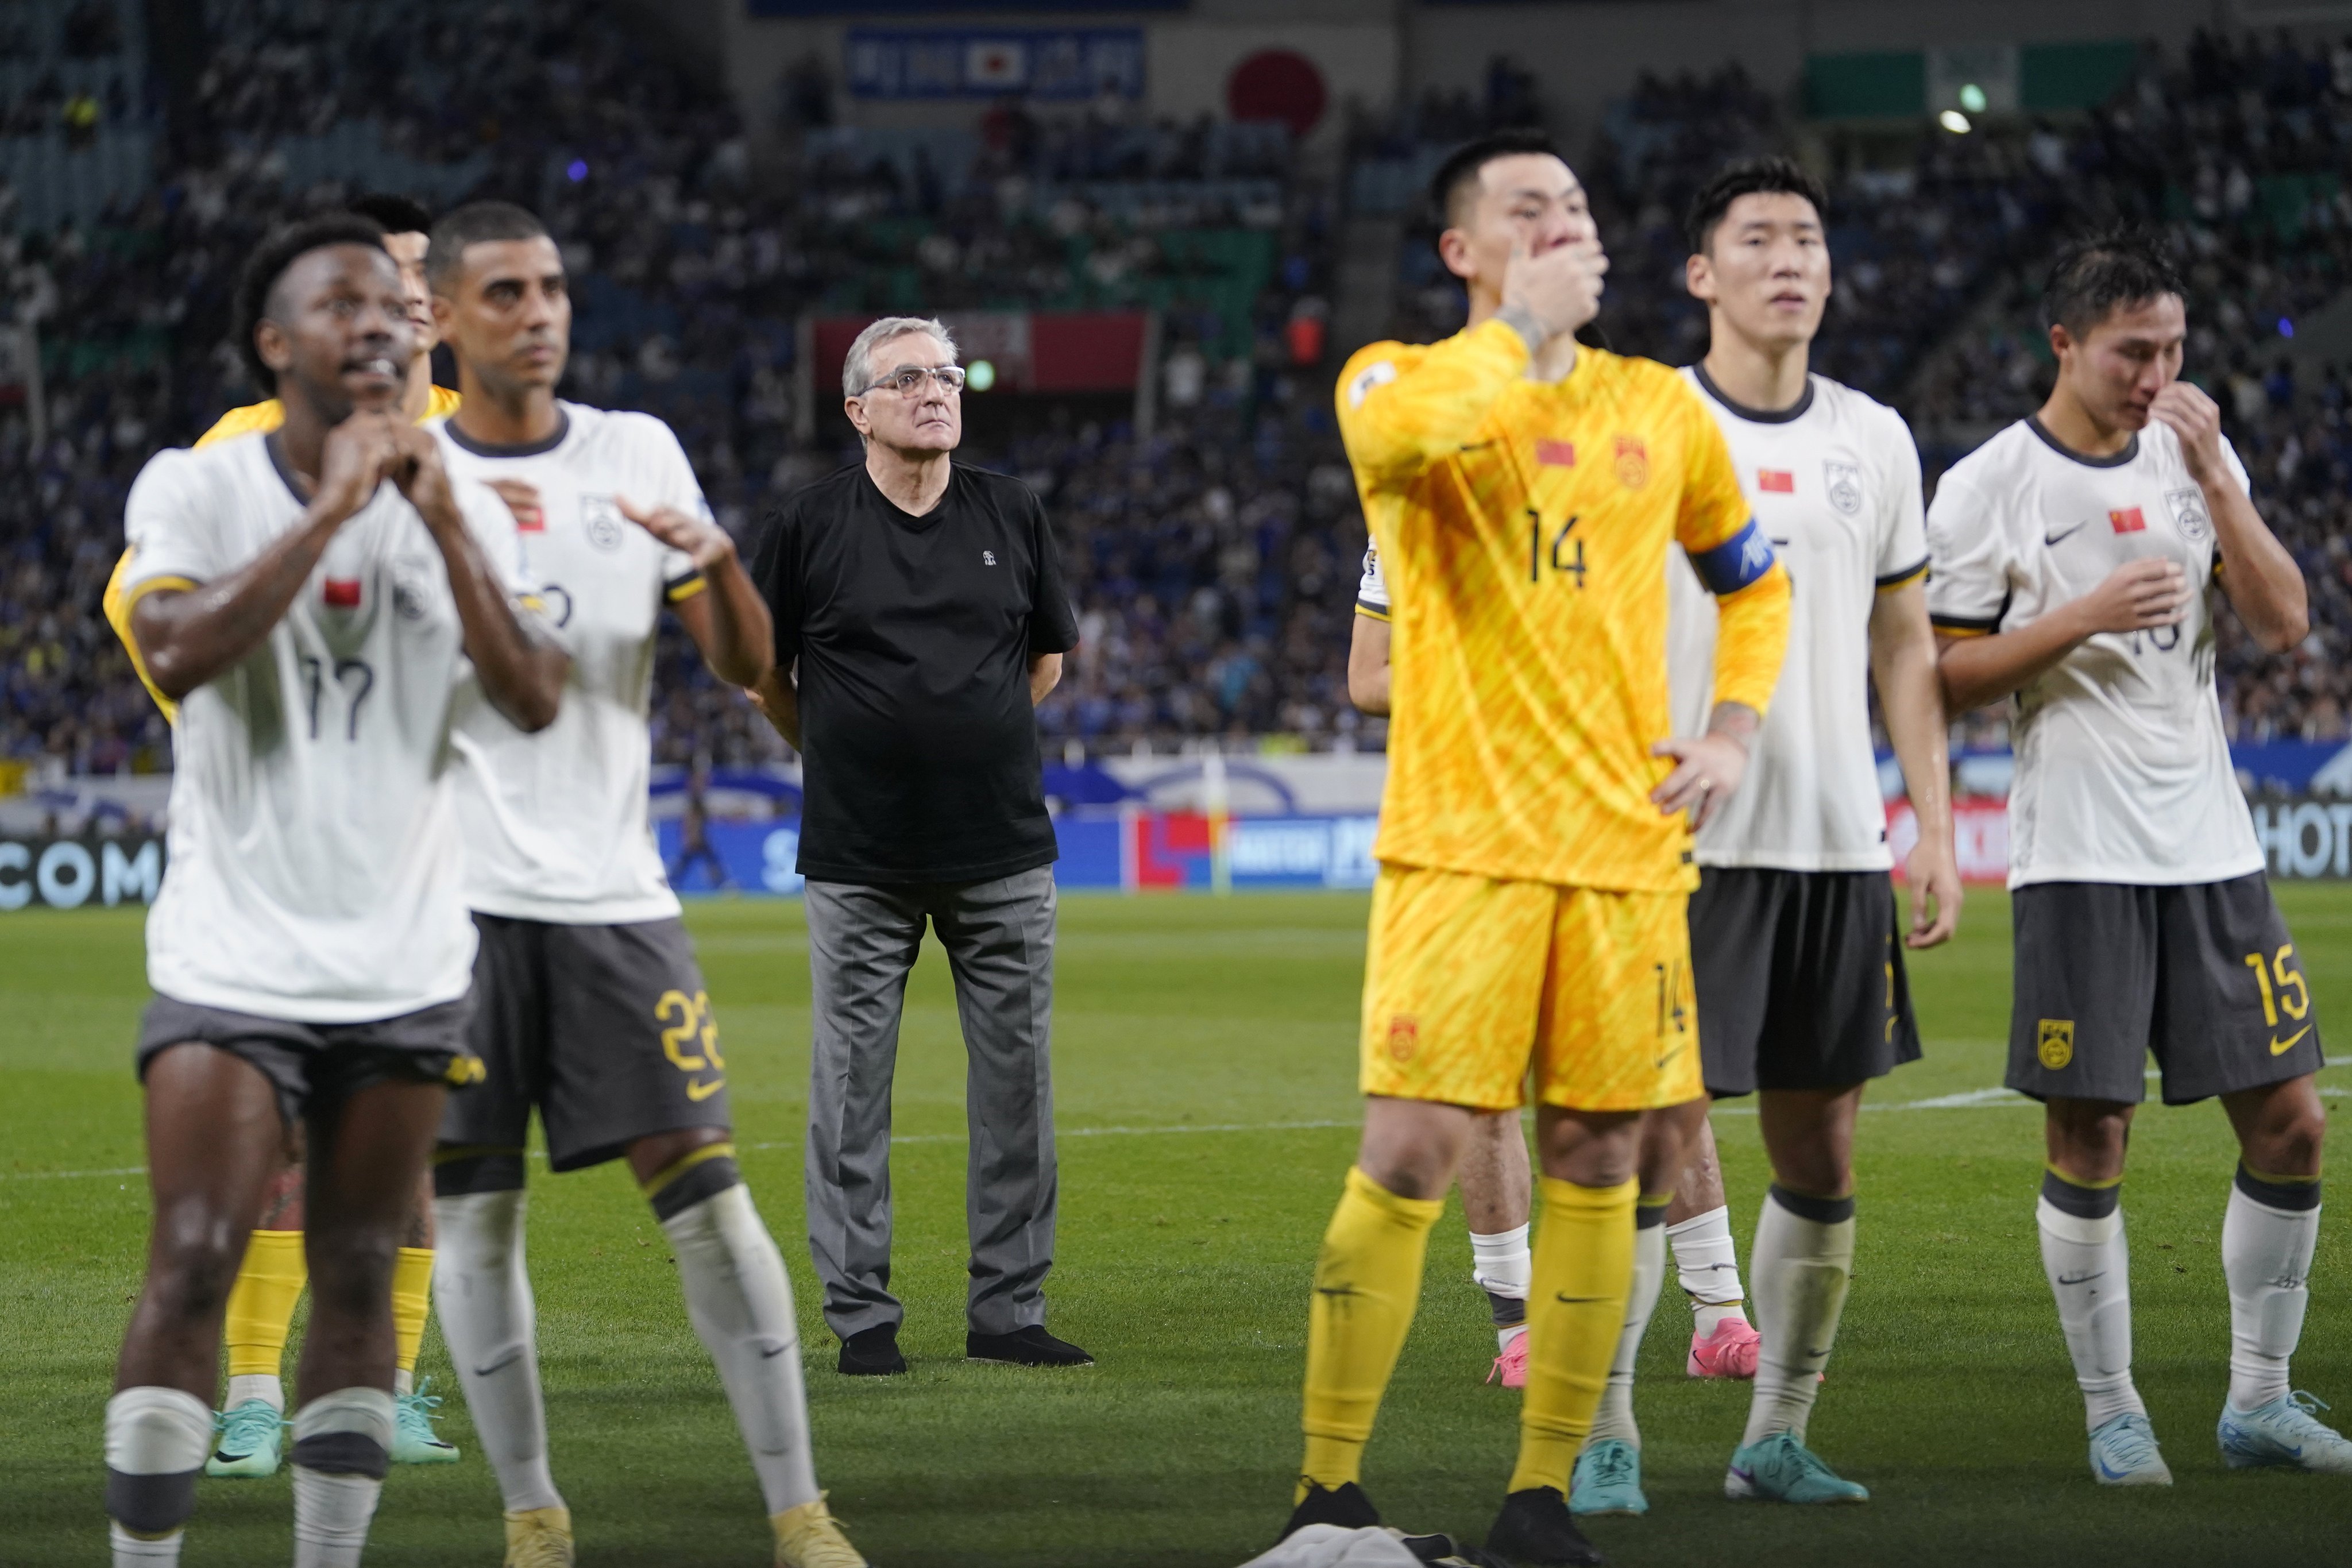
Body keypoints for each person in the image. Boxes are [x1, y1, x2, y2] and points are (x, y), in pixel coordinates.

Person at [1291, 129, 1790, 1566]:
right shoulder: (1397, 376)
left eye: (1575, 205)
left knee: (1596, 1153)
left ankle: (1541, 1498)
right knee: (1405, 1150)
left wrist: (1734, 730)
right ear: (1463, 250)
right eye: (1526, 211)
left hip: (1626, 858)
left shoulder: (1659, 409)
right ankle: (1326, 1495)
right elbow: (1394, 441)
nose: (1563, 226)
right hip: (1460, 851)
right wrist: (1518, 331)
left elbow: (1750, 588)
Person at [104, 214, 563, 1568]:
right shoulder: (202, 480)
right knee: (193, 1247)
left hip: (412, 950)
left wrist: (431, 511)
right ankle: (189, 1491)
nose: (384, 320)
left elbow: (534, 694)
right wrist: (333, 509)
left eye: (402, 303)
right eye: (349, 301)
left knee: (365, 1260)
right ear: (278, 339)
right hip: (235, 951)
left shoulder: (464, 481)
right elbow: (174, 648)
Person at [419, 200, 866, 1568]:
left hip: (615, 904)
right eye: (503, 292)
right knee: (476, 1218)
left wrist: (721, 561)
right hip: (450, 918)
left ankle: (799, 1512)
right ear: (442, 318)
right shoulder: (401, 472)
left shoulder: (636, 451)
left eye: (551, 287)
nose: (539, 312)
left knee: (710, 1198)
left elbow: (742, 662)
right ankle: (532, 1513)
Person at [1567, 156, 1965, 1517]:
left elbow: (1905, 643)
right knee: (1639, 1140)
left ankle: (1773, 1437)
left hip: (1837, 847)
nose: (1788, 258)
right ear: (1699, 275)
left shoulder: (1878, 438)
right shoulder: (1636, 422)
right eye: (1757, 240)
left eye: (1807, 237)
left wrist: (1928, 822)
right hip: (1676, 845)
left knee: (1821, 1154)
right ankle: (1602, 1430)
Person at [1929, 229, 2349, 1485]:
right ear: (2062, 343)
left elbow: (2281, 622)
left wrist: (2217, 476)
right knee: (2090, 1135)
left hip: (2211, 847)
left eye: (2171, 349)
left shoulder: (2188, 460)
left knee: (2290, 1123)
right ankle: (2112, 1410)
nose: (2155, 375)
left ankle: (2257, 1403)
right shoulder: (1989, 484)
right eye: (2131, 352)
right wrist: (2074, 619)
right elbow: (1941, 677)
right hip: (2079, 855)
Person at [747, 315, 1088, 1378]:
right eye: (908, 378)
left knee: (1016, 1089)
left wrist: (964, 742)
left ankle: (1009, 1310)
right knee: (849, 1091)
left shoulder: (1011, 509)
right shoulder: (806, 525)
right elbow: (764, 676)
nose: (936, 391)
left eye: (946, 375)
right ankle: (862, 1318)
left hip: (1003, 847)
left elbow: (1045, 664)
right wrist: (847, 757)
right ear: (858, 410)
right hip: (859, 857)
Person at [1347, 550, 1759, 1399]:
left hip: (1607, 821)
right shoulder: (1413, 505)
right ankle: (1523, 1330)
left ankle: (1719, 1317)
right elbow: (1367, 677)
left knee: (1661, 1067)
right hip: (1473, 831)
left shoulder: (1603, 478)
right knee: (1490, 1086)